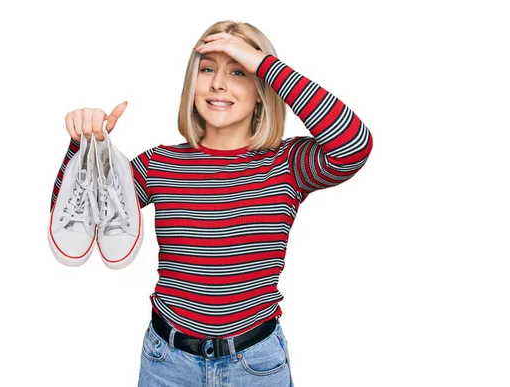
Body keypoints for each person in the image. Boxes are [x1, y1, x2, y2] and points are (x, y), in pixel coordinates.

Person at [52, 20, 373, 387]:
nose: (219, 83)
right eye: (208, 69)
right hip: (166, 365)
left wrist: (264, 63)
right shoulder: (159, 164)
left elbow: (354, 145)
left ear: (261, 88)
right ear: (192, 84)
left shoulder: (287, 164)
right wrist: (82, 147)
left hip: (256, 366)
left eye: (238, 71)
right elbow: (71, 223)